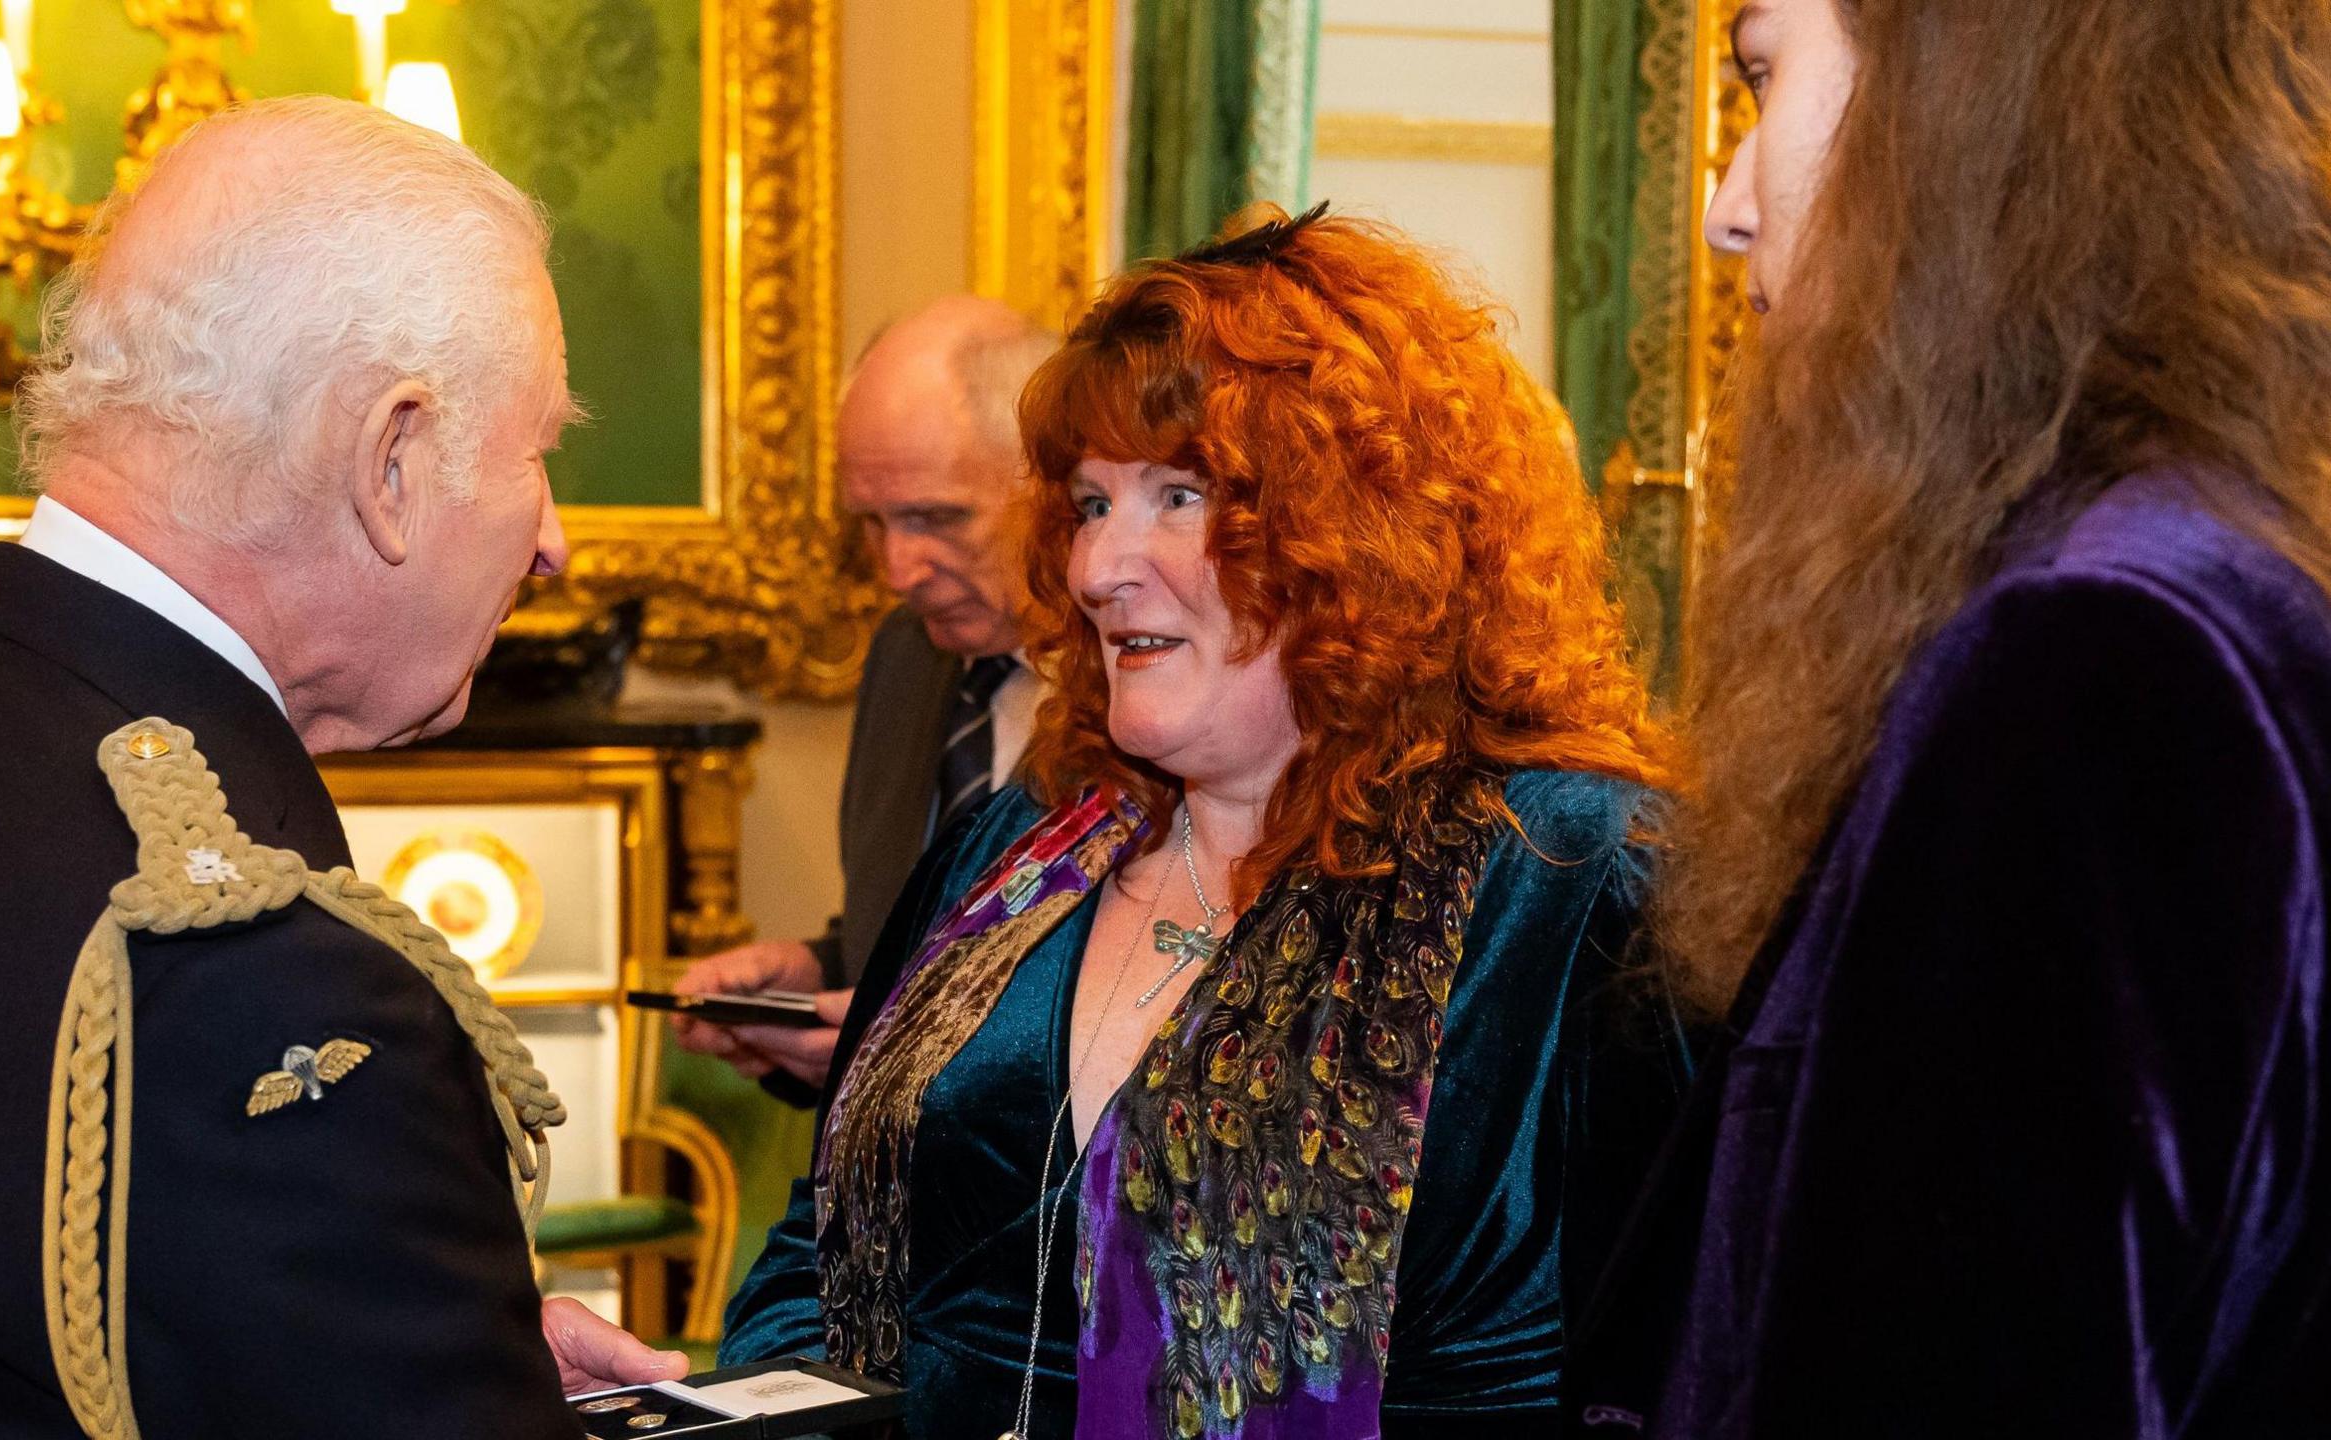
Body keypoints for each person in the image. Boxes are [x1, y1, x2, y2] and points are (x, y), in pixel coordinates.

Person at [0, 96, 680, 1435]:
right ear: (393, 458)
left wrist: (434, 1342)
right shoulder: (254, 964)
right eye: (537, 453)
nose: (552, 544)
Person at [714, 205, 1691, 1438]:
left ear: (1361, 532)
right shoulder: (1018, 852)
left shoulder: (1565, 874)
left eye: (1178, 496)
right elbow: (821, 1247)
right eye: (1087, 502)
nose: (1094, 567)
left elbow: (1699, 1354)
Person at [1564, 2, 2331, 1435]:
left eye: (1760, 77)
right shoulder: (2220, 569)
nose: (1725, 213)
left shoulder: (2106, 657)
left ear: (1961, 94)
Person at [672, 297, 1059, 1097]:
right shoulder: (907, 659)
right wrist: (815, 971)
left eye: (936, 518)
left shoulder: (1153, 691)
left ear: (1051, 487)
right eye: (873, 523)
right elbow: (913, 937)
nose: (897, 570)